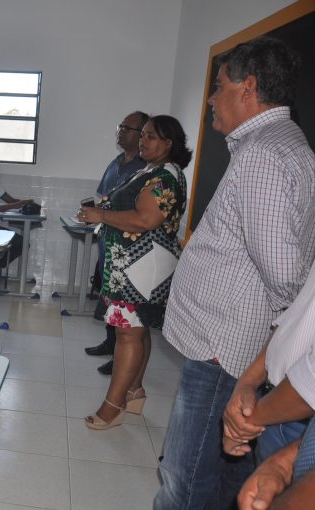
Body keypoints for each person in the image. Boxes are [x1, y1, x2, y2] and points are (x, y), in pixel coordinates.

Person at [154, 37, 315, 510]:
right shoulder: (288, 144)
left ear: (248, 88)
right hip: (234, 343)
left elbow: (285, 273)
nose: (210, 99)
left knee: (183, 479)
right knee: (228, 475)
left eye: (219, 85)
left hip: (223, 346)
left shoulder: (263, 154)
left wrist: (277, 345)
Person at [79, 115, 190, 430]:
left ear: (169, 143)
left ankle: (112, 408)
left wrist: (100, 215)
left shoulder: (165, 176)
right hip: (133, 266)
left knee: (127, 335)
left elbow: (145, 220)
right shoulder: (151, 170)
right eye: (142, 135)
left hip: (141, 268)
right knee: (137, 330)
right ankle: (134, 391)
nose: (143, 141)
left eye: (151, 136)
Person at [221, 257, 315, 469]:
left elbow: (310, 385)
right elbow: (299, 316)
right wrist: (247, 382)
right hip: (276, 406)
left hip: (301, 423)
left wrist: (245, 423)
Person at [85, 111, 149, 376]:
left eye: (127, 128)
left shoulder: (145, 168)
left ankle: (120, 356)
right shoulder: (116, 162)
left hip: (128, 248)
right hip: (108, 243)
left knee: (126, 308)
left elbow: (141, 213)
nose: (121, 132)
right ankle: (110, 342)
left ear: (142, 135)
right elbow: (102, 196)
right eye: (120, 126)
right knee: (109, 297)